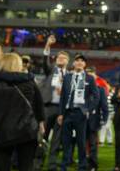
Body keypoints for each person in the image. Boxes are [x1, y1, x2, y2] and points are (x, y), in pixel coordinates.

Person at [0, 53, 45, 171]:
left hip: (2, 130)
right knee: (26, 166)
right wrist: (40, 122)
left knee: (1, 166)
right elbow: (38, 104)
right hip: (27, 130)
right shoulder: (29, 81)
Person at [57, 53, 99, 171]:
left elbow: (96, 97)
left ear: (85, 64)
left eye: (82, 61)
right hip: (67, 112)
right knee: (65, 141)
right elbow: (63, 97)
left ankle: (82, 166)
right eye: (77, 60)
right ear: (74, 63)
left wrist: (88, 110)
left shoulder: (89, 78)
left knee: (81, 142)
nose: (80, 62)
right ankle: (64, 165)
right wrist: (60, 113)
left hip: (80, 113)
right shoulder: (67, 77)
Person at [40, 35, 70, 171]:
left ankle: (52, 165)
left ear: (68, 61)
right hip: (47, 107)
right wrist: (48, 45)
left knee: (56, 141)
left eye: (63, 58)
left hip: (61, 110)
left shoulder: (70, 75)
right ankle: (38, 163)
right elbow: (45, 61)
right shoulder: (51, 70)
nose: (60, 59)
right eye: (58, 57)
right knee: (42, 137)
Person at [85, 67, 108, 171]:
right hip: (81, 119)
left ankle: (93, 164)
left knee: (93, 143)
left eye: (91, 74)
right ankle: (83, 162)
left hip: (94, 119)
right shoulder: (82, 88)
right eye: (87, 74)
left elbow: (104, 106)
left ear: (95, 75)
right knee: (81, 142)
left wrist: (105, 118)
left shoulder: (100, 89)